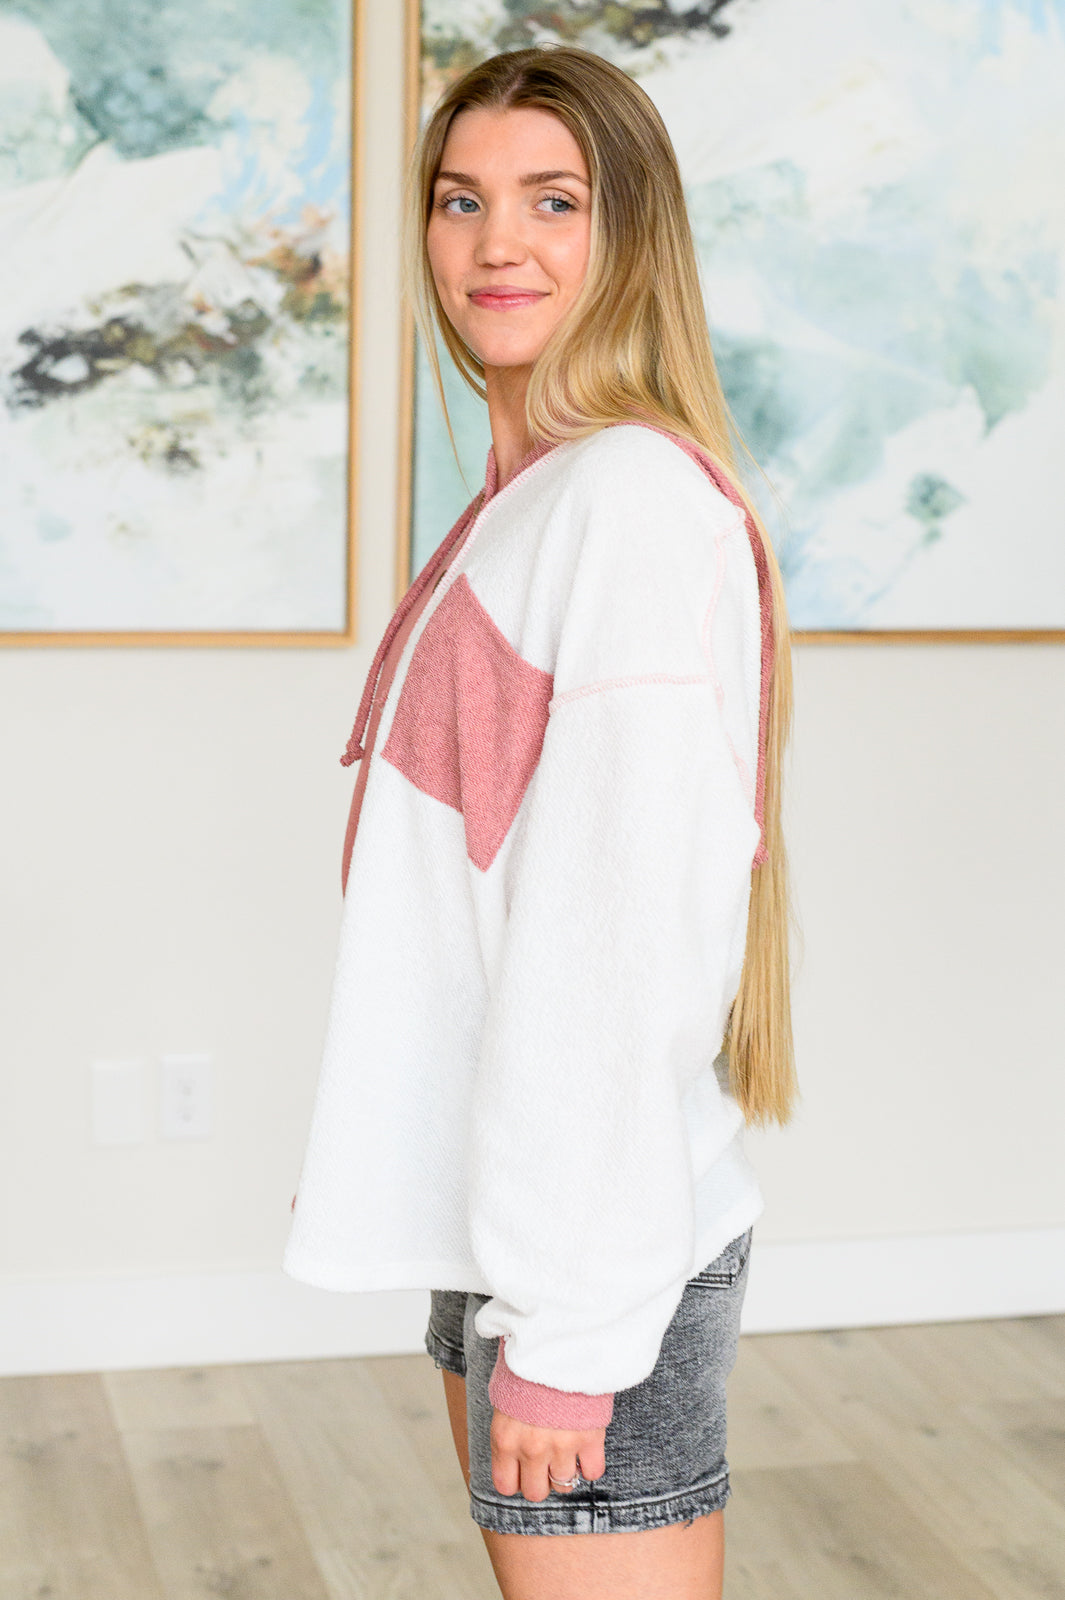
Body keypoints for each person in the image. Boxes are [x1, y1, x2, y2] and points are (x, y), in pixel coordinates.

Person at [284, 42, 796, 1600]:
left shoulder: (630, 509)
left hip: (587, 1264)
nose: (494, 243)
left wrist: (569, 1341)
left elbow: (617, 949)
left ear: (627, 234)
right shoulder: (537, 500)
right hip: (509, 1228)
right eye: (460, 201)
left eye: (552, 200)